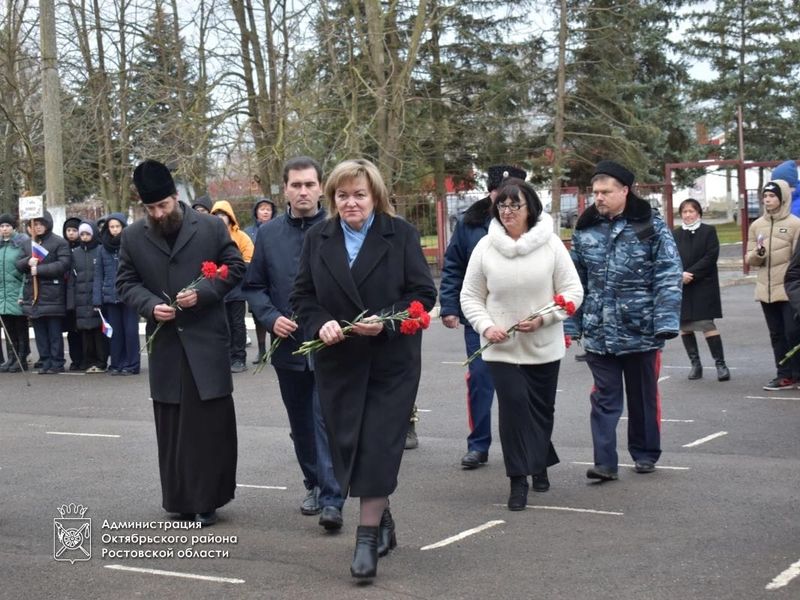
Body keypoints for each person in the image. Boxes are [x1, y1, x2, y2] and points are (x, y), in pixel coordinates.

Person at [291, 159, 436, 579]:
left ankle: (366, 539)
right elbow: (302, 296)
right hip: (339, 362)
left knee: (377, 445)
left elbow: (422, 295)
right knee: (352, 446)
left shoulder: (401, 234)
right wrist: (321, 322)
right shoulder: (319, 237)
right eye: (342, 195)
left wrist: (386, 321)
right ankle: (384, 518)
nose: (350, 202)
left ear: (375, 197)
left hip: (391, 364)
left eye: (359, 194)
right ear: (331, 198)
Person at [116, 159, 246, 526]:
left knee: (209, 425)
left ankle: (209, 500)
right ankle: (180, 500)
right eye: (151, 208)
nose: (159, 213)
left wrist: (204, 292)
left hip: (206, 339)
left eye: (164, 205)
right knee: (173, 425)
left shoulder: (208, 227)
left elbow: (234, 268)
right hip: (168, 344)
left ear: (176, 196)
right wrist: (151, 306)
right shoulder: (132, 236)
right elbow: (126, 283)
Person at [460, 179, 583, 510]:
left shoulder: (551, 245)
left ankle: (540, 461)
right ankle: (518, 479)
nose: (508, 211)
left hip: (543, 344)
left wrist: (544, 318)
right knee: (513, 408)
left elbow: (573, 292)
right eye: (502, 205)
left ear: (531, 208)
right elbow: (470, 296)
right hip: (502, 346)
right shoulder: (485, 247)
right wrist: (486, 327)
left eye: (515, 205)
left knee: (541, 410)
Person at [243, 156, 345, 530]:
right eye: (296, 185)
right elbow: (252, 287)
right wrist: (270, 317)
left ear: (321, 187)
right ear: (284, 189)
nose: (303, 192)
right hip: (288, 347)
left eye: (310, 184)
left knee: (326, 419)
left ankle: (333, 496)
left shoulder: (338, 228)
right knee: (300, 422)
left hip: (332, 344)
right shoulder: (267, 235)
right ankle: (314, 483)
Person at [567, 160, 682, 481]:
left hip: (641, 329)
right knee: (604, 398)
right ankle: (605, 462)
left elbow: (668, 273)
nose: (599, 198)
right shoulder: (586, 229)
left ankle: (645, 454)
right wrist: (571, 323)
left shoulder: (649, 226)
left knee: (642, 396)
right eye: (596, 192)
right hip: (599, 331)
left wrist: (665, 320)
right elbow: (575, 281)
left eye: (606, 192)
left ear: (625, 191)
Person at [439, 164, 527, 470]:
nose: (503, 201)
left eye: (510, 195)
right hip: (479, 315)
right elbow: (453, 266)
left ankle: (522, 443)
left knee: (520, 383)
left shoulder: (532, 223)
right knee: (479, 379)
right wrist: (449, 306)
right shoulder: (470, 223)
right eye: (497, 194)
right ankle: (478, 445)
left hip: (521, 316)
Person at [745, 180, 800, 390]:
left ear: (782, 198)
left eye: (772, 196)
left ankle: (797, 373)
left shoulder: (795, 224)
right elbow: (750, 258)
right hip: (765, 289)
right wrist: (758, 254)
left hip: (789, 290)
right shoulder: (757, 225)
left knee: (793, 333)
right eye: (765, 196)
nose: (767, 200)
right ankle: (784, 375)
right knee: (776, 334)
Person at [672, 199, 730, 381]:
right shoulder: (675, 234)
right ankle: (695, 365)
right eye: (684, 212)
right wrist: (680, 274)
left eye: (691, 211)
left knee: (706, 324)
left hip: (703, 284)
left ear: (698, 213)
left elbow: (711, 256)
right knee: (685, 326)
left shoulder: (708, 231)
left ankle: (721, 364)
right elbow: (670, 257)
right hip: (682, 285)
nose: (688, 215)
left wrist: (692, 273)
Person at [16, 211, 71, 374]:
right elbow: (18, 265)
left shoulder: (58, 242)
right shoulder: (27, 244)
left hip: (52, 294)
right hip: (33, 295)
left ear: (47, 224)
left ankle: (57, 361)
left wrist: (39, 269)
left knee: (54, 331)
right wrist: (27, 262)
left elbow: (64, 264)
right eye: (34, 224)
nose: (37, 227)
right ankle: (45, 360)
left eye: (41, 224)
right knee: (40, 331)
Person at [94, 213, 141, 375]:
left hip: (129, 295)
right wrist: (97, 299)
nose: (114, 230)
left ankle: (132, 364)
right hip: (110, 295)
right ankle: (117, 363)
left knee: (130, 332)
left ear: (123, 227)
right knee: (115, 333)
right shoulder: (102, 248)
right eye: (111, 227)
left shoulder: (131, 245)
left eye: (117, 226)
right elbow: (98, 274)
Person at [211, 200, 254, 372]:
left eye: (223, 215)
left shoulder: (241, 236)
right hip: (218, 287)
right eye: (216, 215)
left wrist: (230, 270)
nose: (220, 218)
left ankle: (239, 358)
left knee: (237, 323)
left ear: (230, 217)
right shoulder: (209, 236)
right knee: (223, 323)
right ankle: (226, 357)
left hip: (236, 287)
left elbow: (249, 258)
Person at [68, 222, 108, 373]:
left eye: (88, 234)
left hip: (96, 296)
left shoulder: (100, 250)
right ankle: (88, 360)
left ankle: (101, 360)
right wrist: (71, 301)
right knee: (85, 331)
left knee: (98, 331)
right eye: (82, 234)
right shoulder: (75, 253)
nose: (84, 237)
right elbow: (72, 278)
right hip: (80, 298)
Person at [243, 197, 276, 363]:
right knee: (258, 315)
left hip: (275, 278)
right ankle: (262, 350)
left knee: (276, 313)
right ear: (256, 211)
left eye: (268, 209)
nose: (265, 211)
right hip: (256, 278)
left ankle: (275, 348)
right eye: (262, 208)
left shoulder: (278, 229)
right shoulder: (248, 232)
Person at [0, 214, 29, 372]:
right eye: (2, 226)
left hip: (17, 292)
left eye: (7, 226)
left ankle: (22, 357)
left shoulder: (21, 244)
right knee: (7, 328)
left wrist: (21, 294)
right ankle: (11, 357)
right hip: (3, 295)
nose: (4, 229)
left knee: (20, 327)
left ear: (13, 227)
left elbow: (24, 271)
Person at [62, 216, 84, 370]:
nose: (71, 233)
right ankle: (75, 359)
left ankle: (85, 359)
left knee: (83, 329)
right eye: (68, 230)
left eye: (74, 230)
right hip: (66, 295)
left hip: (81, 294)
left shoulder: (83, 248)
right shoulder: (63, 248)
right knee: (72, 331)